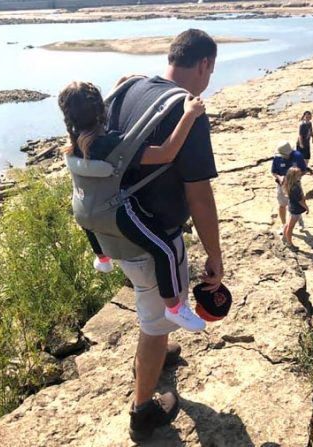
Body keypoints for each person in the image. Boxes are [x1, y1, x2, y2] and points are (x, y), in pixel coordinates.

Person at [105, 29, 224, 442]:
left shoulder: (129, 88)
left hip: (114, 228)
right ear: (204, 64)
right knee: (156, 320)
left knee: (149, 304)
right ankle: (143, 411)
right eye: (212, 69)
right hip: (152, 239)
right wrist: (215, 255)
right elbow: (199, 195)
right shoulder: (186, 111)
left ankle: (161, 351)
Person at [58, 80, 208, 334]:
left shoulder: (74, 143)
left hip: (84, 210)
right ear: (101, 112)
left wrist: (123, 83)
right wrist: (190, 114)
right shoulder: (111, 145)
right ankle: (175, 308)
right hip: (115, 213)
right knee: (165, 250)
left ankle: (102, 259)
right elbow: (166, 153)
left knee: (89, 218)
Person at [270, 141, 308, 232]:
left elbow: (304, 170)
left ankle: (300, 222)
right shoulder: (277, 158)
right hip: (281, 185)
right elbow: (273, 171)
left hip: (295, 185)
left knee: (297, 204)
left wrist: (294, 179)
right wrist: (280, 178)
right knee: (282, 205)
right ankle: (284, 225)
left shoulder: (297, 156)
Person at [281, 167, 308, 250]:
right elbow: (300, 201)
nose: (300, 176)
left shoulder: (290, 184)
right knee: (290, 227)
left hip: (291, 207)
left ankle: (284, 238)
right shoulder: (295, 188)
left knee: (288, 223)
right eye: (298, 175)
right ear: (293, 176)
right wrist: (306, 208)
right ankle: (289, 244)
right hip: (296, 209)